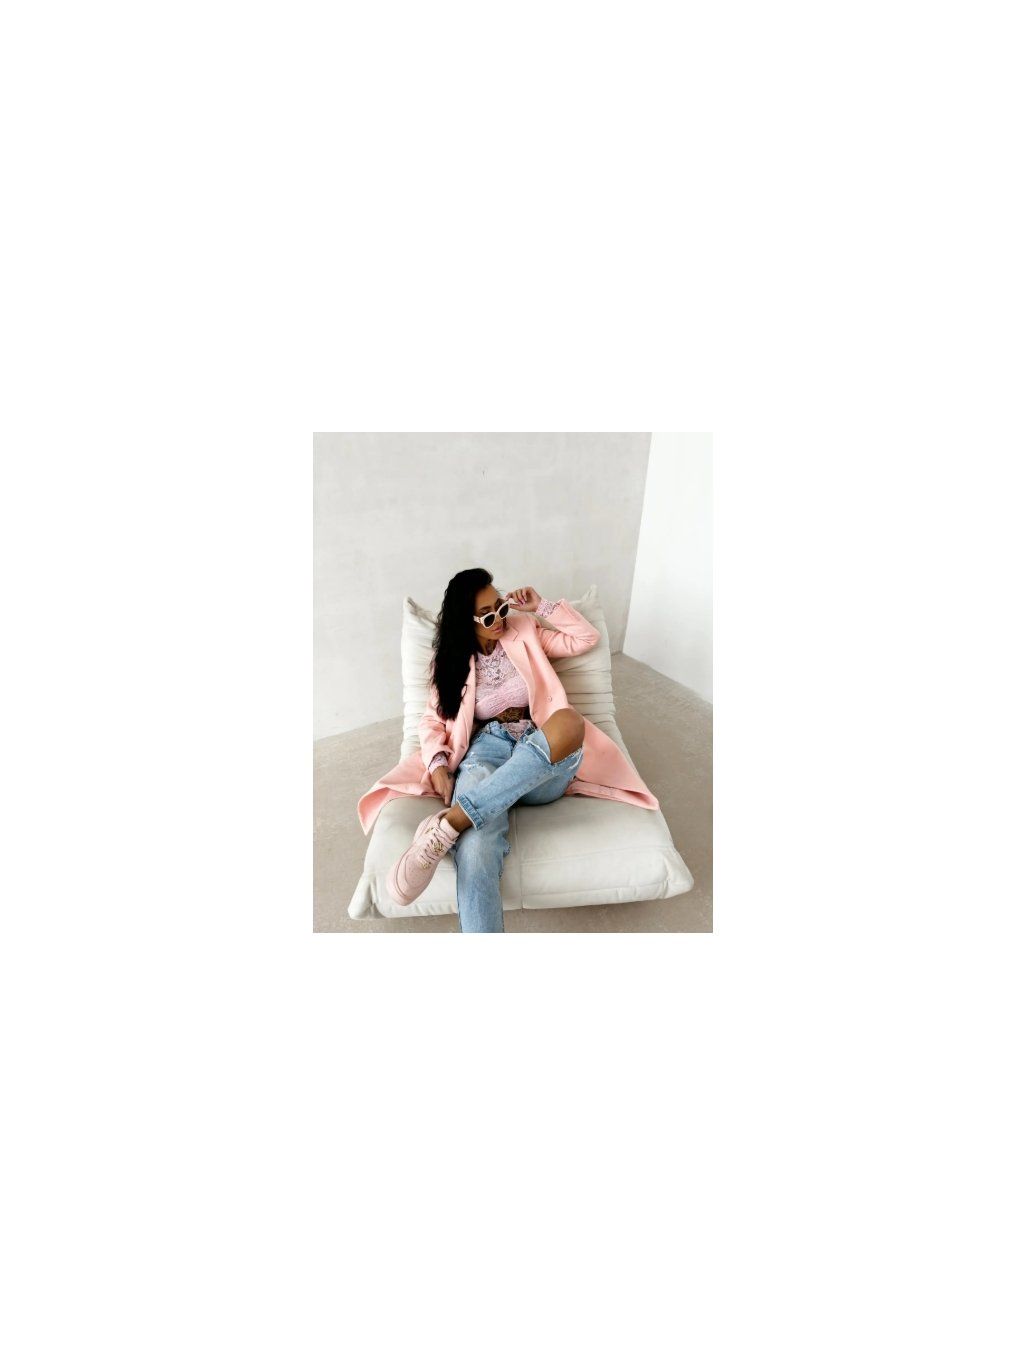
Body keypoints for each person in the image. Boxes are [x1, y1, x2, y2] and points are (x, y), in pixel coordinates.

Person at [386, 568, 598, 932]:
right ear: (465, 622)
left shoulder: (524, 630)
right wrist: (437, 763)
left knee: (569, 722)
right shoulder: (448, 663)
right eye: (486, 616)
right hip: (487, 750)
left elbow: (585, 638)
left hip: (540, 751)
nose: (498, 619)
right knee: (475, 847)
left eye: (500, 607)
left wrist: (541, 607)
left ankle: (450, 824)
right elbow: (431, 721)